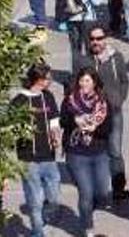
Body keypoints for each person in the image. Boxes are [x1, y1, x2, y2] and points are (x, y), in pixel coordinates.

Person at [72, 25, 129, 201]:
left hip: (113, 112)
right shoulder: (84, 61)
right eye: (92, 39)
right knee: (95, 150)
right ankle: (97, 189)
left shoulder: (116, 58)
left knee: (115, 151)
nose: (96, 42)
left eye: (99, 38)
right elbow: (75, 85)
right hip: (92, 114)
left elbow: (124, 81)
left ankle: (119, 188)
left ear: (105, 39)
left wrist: (119, 99)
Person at [60, 67, 112, 236]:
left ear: (95, 83)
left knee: (103, 193)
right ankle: (88, 229)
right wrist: (76, 121)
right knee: (86, 192)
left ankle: (87, 210)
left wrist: (93, 127)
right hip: (77, 153)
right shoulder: (69, 101)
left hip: (99, 152)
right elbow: (63, 122)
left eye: (88, 80)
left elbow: (108, 129)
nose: (84, 84)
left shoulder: (103, 103)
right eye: (81, 80)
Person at [13, 64, 61, 237]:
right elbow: (11, 125)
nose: (51, 80)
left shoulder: (48, 96)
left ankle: (45, 216)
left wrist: (56, 135)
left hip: (48, 156)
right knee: (35, 201)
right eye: (49, 77)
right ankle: (37, 232)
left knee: (55, 198)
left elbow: (54, 120)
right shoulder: (20, 100)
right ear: (39, 79)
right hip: (29, 159)